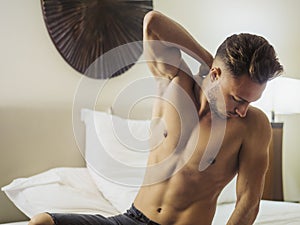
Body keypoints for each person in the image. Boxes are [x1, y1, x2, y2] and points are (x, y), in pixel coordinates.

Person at [29, 10, 283, 225]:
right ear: (215, 74)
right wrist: (208, 59)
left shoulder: (252, 125)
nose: (242, 110)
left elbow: (248, 203)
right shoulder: (173, 81)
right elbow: (153, 22)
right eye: (238, 98)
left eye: (250, 102)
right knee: (42, 222)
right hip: (132, 219)